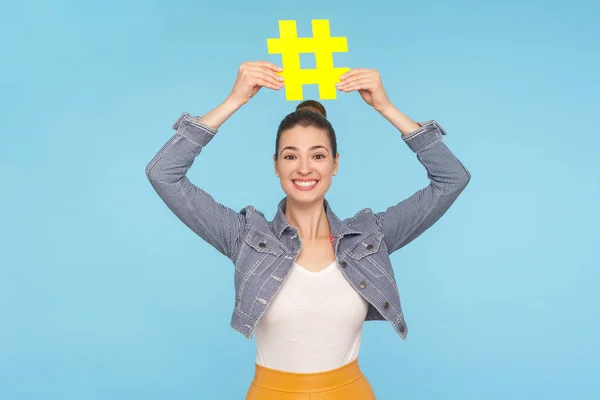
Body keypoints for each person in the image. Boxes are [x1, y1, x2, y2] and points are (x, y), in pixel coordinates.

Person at [145, 61, 471, 399]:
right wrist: (233, 101)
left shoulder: (371, 239)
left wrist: (385, 107)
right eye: (290, 156)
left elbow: (451, 179)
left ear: (334, 164)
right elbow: (164, 174)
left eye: (317, 156)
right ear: (276, 165)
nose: (304, 168)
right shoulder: (245, 238)